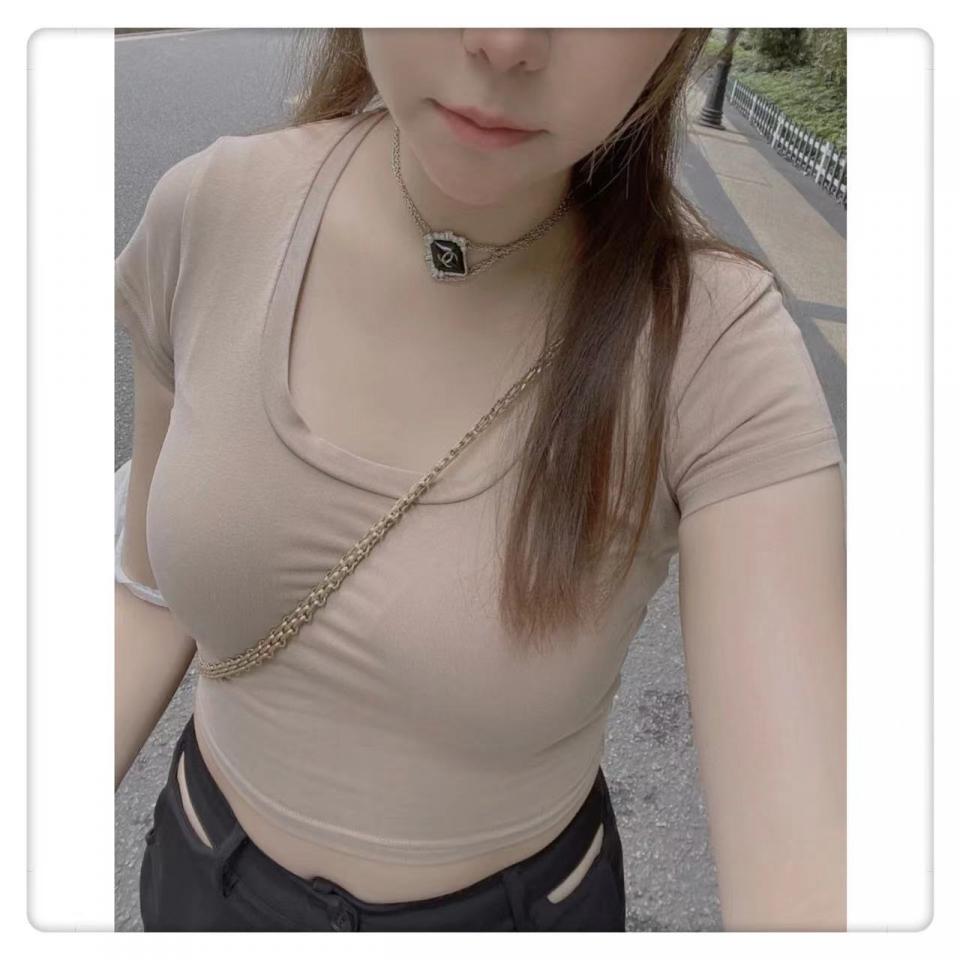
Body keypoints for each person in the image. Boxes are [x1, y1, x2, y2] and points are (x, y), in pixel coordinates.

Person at [115, 28, 846, 932]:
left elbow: (808, 872)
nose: (505, 40)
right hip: (199, 876)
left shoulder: (714, 344)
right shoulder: (211, 207)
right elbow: (145, 593)